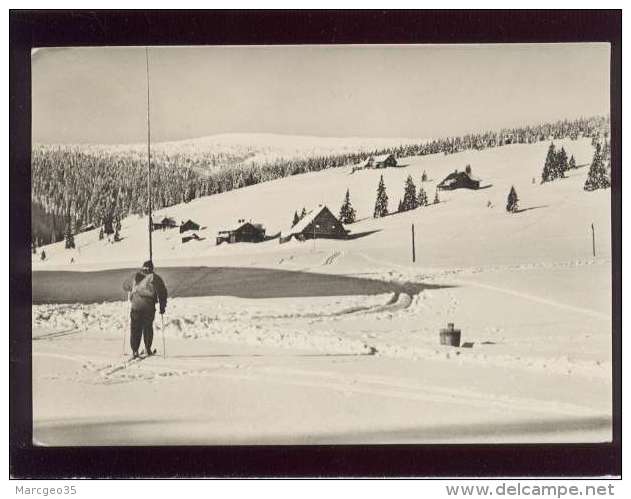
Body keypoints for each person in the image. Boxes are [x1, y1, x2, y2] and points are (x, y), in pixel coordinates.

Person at [122, 260, 168, 358]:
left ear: (142, 267)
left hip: (136, 305)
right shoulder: (154, 277)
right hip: (148, 306)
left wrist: (133, 288)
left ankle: (135, 350)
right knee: (147, 328)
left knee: (135, 329)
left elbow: (125, 286)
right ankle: (147, 349)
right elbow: (162, 292)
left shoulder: (135, 276)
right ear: (152, 268)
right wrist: (162, 306)